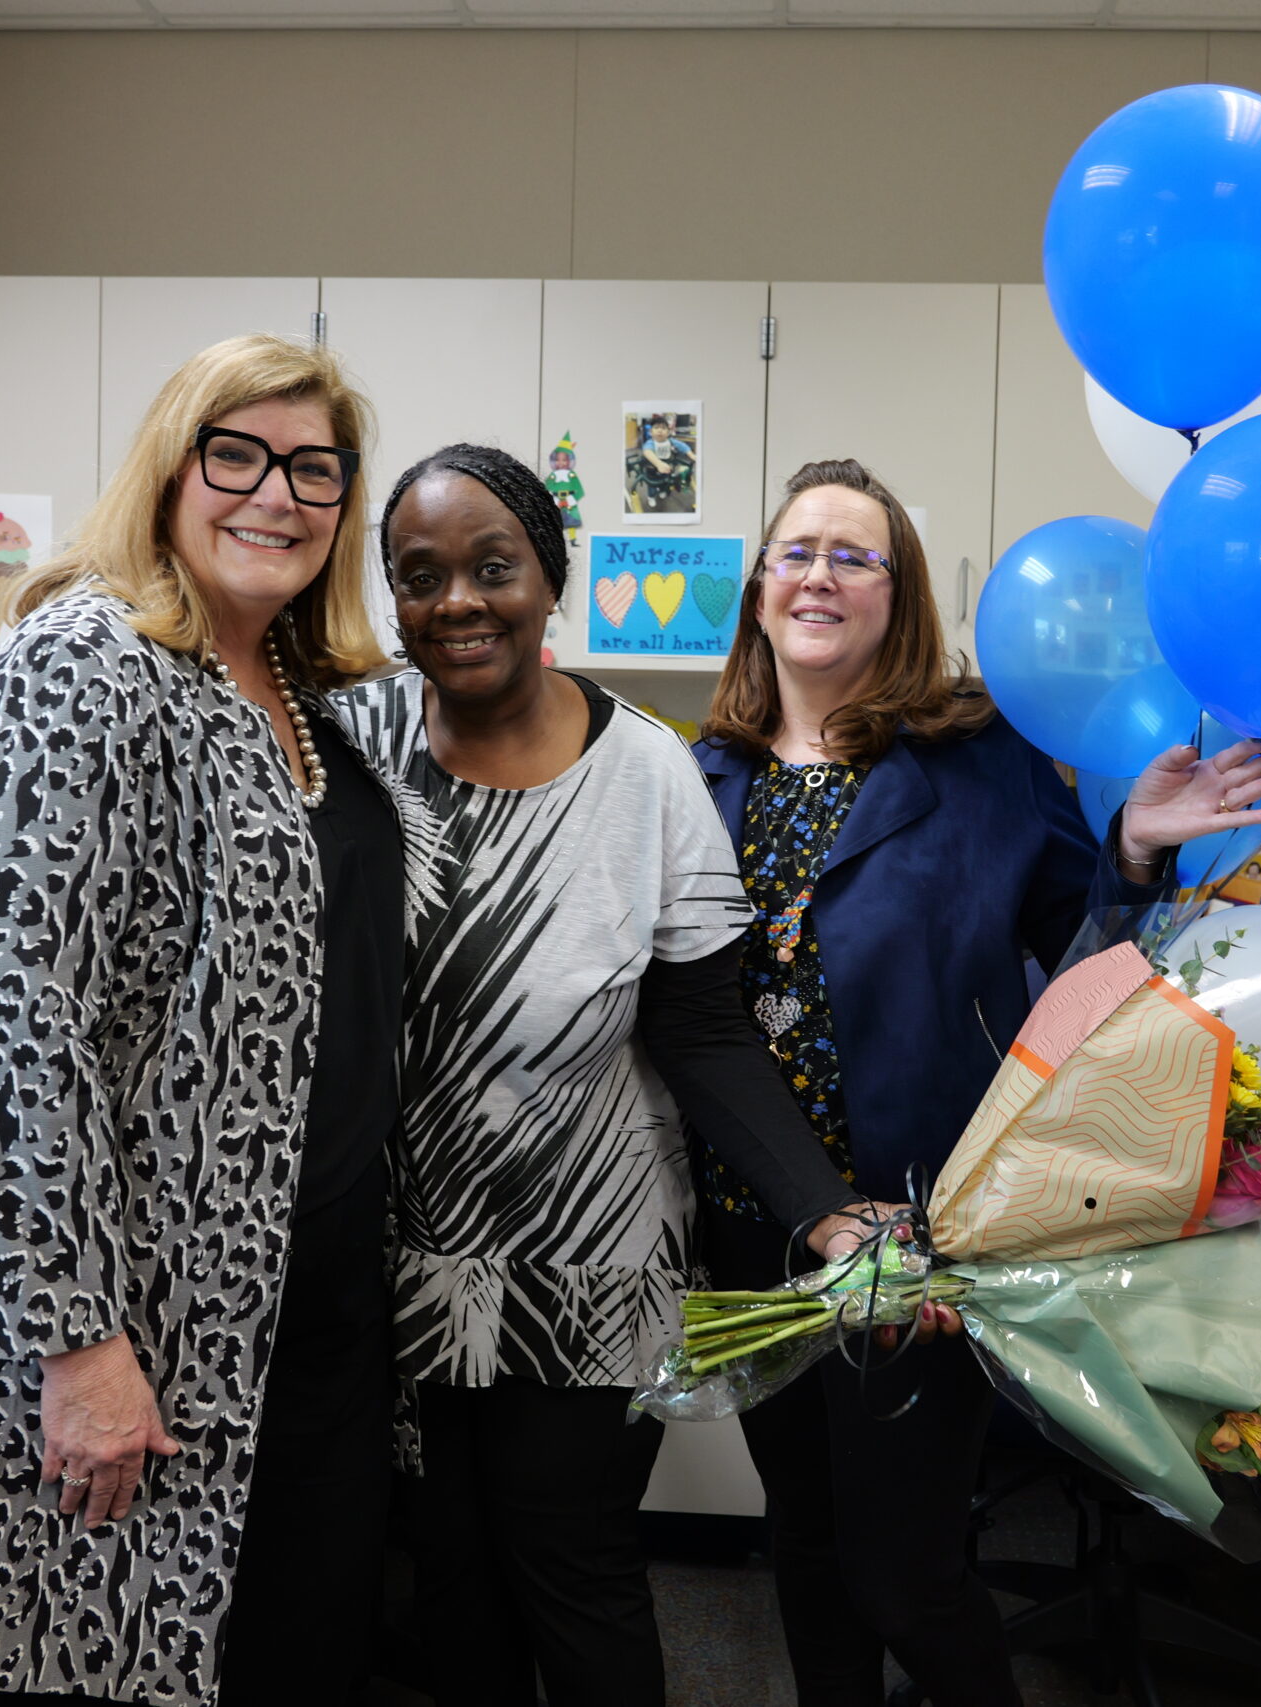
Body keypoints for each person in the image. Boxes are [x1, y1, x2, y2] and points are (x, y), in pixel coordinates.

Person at [0, 334, 405, 1707]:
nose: (275, 494)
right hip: (131, 1319)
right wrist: (79, 1340)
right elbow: (4, 1024)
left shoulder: (300, 692)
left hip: (291, 1309)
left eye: (315, 470)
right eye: (238, 455)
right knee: (91, 1654)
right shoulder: (81, 664)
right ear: (169, 469)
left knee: (281, 1653)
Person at [691, 458, 1261, 1707]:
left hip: (920, 1228)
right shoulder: (703, 779)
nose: (820, 576)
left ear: (900, 595)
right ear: (758, 588)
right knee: (804, 1541)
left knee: (905, 1572)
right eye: (797, 551)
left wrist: (1132, 845)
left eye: (855, 556)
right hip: (749, 1221)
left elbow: (1085, 957)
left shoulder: (978, 762)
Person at [335, 444, 891, 1707]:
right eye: (419, 576)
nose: (458, 601)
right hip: (402, 1250)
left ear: (550, 579)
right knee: (447, 1573)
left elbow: (703, 1031)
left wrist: (819, 1210)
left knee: (570, 1563)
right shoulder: (354, 746)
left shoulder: (648, 771)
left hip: (588, 1251)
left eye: (493, 567)